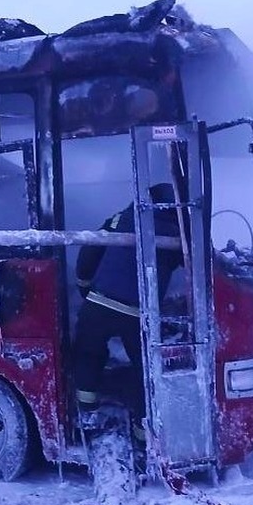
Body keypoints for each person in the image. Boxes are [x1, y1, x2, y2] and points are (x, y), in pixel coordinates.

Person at [72, 183, 183, 430]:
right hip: (137, 312)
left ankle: (86, 413)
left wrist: (84, 285)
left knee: (88, 352)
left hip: (100, 302)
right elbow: (193, 265)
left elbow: (90, 249)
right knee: (145, 368)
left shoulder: (121, 218)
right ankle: (143, 430)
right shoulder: (178, 232)